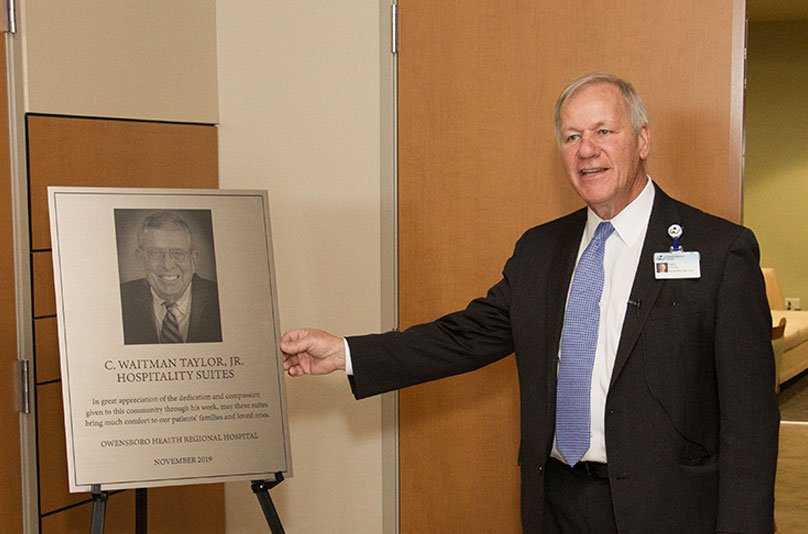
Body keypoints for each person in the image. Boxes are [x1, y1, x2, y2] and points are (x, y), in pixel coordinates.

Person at [281, 73, 779, 533]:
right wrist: (347, 352)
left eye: (604, 131)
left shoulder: (717, 251)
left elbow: (750, 425)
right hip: (556, 503)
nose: (587, 151)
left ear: (642, 139)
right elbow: (464, 337)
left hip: (670, 512)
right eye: (572, 136)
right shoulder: (541, 251)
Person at [120, 211, 222, 345]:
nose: (168, 265)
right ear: (140, 258)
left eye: (177, 253)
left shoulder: (220, 298)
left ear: (194, 259)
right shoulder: (120, 299)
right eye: (155, 253)